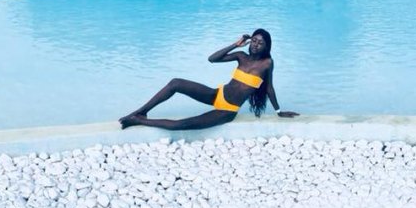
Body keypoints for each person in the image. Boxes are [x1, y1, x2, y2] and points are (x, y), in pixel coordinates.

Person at [120, 29, 298, 130]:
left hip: (227, 110)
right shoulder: (241, 56)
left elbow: (269, 89)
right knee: (176, 83)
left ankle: (138, 120)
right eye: (254, 41)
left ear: (267, 46)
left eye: (260, 43)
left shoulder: (267, 63)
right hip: (217, 94)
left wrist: (278, 111)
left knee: (182, 124)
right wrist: (235, 44)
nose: (255, 45)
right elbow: (212, 59)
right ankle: (141, 111)